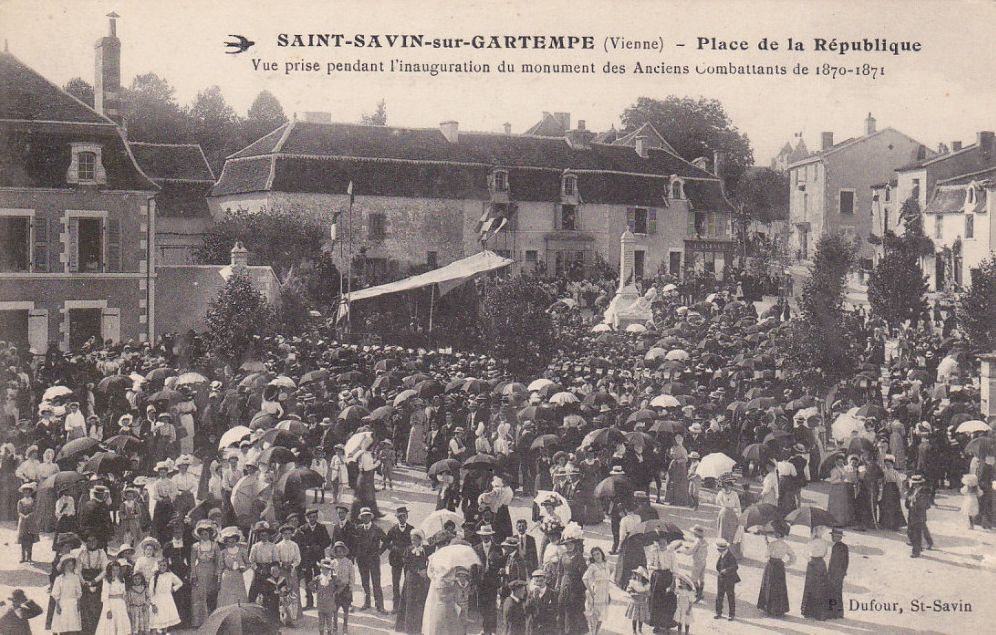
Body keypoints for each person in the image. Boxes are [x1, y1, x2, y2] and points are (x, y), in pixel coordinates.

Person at [756, 521, 794, 617]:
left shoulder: (772, 544)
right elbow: (793, 556)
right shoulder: (786, 545)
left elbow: (766, 555)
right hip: (780, 566)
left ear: (777, 534)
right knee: (779, 586)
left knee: (769, 584)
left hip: (771, 565)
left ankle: (768, 607)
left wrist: (767, 544)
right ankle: (779, 609)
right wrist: (786, 564)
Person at [297, 507, 332, 610]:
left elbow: (328, 541)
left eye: (314, 517)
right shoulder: (303, 528)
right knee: (308, 580)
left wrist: (320, 546)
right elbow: (300, 543)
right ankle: (309, 602)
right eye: (310, 517)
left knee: (320, 579)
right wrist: (306, 548)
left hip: (318, 557)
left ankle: (321, 602)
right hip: (307, 558)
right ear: (307, 518)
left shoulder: (322, 527)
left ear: (317, 517)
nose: (312, 519)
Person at [354, 507, 388, 612]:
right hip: (362, 560)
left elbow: (386, 541)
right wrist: (356, 553)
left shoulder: (377, 529)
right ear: (361, 518)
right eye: (363, 516)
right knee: (365, 582)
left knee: (376, 582)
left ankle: (380, 605)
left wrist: (379, 552)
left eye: (367, 516)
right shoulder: (358, 528)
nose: (365, 518)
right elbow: (354, 542)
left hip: (373, 560)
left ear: (370, 517)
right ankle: (367, 602)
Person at [396, 530, 430, 634]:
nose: (413, 542)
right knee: (410, 602)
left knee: (420, 602)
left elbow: (429, 561)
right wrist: (418, 571)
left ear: (420, 540)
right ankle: (409, 629)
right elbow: (407, 564)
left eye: (415, 540)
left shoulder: (426, 549)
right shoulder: (409, 549)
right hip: (411, 579)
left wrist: (426, 570)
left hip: (422, 579)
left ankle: (419, 628)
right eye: (412, 540)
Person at [474, 523, 504, 635]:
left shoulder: (497, 547)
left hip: (492, 580)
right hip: (481, 581)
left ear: (491, 536)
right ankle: (484, 628)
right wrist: (474, 581)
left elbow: (502, 563)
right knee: (481, 605)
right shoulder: (476, 548)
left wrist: (500, 574)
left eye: (487, 535)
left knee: (492, 605)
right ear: (480, 536)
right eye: (483, 535)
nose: (485, 537)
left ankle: (493, 630)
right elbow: (473, 566)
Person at [189, 520, 220, 628]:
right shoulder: (195, 546)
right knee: (198, 597)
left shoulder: (215, 546)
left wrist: (217, 574)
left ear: (210, 534)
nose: (204, 536)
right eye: (202, 534)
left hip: (211, 572)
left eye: (206, 534)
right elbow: (192, 562)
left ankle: (211, 621)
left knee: (211, 595)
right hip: (199, 571)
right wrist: (193, 575)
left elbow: (218, 561)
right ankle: (198, 622)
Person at [646, 533, 678, 633]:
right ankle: (657, 624)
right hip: (657, 578)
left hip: (667, 577)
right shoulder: (654, 552)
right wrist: (656, 567)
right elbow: (649, 565)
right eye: (660, 543)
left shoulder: (671, 553)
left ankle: (667, 624)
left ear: (667, 543)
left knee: (668, 601)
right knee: (656, 601)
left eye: (664, 543)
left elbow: (674, 569)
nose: (662, 545)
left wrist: (673, 583)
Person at [386, 506, 414, 613]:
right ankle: (396, 605)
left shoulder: (412, 530)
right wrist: (393, 547)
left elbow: (415, 543)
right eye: (399, 517)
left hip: (407, 560)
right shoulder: (393, 530)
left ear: (407, 517)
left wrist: (408, 549)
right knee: (395, 583)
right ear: (397, 518)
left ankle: (406, 606)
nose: (402, 518)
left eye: (403, 516)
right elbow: (387, 542)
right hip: (395, 559)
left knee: (408, 582)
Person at [275, 522, 302, 621]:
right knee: (282, 592)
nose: (287, 535)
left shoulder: (294, 545)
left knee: (293, 591)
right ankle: (283, 616)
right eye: (285, 533)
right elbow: (276, 559)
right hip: (282, 571)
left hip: (291, 571)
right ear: (282, 534)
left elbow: (298, 559)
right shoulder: (278, 546)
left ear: (291, 534)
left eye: (289, 533)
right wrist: (282, 564)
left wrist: (292, 565)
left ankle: (293, 616)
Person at [582, 546, 612, 635]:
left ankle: (596, 633)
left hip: (605, 594)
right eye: (594, 555)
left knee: (601, 617)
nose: (597, 556)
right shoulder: (592, 566)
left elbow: (608, 577)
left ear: (602, 554)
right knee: (594, 618)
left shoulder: (607, 565)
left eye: (598, 553)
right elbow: (585, 579)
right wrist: (591, 592)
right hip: (596, 594)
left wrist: (608, 593)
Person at [96, 560, 131, 635]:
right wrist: (108, 609)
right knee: (110, 625)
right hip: (111, 604)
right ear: (109, 570)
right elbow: (105, 596)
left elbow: (124, 593)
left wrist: (126, 604)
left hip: (121, 605)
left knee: (121, 625)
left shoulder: (122, 580)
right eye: (113, 570)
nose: (115, 572)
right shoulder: (107, 581)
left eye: (117, 570)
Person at [51, 555, 83, 635]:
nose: (69, 567)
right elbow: (56, 593)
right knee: (63, 626)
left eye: (71, 565)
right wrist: (58, 605)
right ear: (63, 566)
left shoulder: (75, 578)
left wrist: (78, 602)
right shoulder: (59, 578)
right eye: (67, 565)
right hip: (63, 604)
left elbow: (78, 592)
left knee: (73, 626)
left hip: (73, 604)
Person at [217, 526, 249, 607]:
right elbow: (220, 568)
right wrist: (219, 580)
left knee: (238, 596)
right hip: (226, 578)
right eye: (229, 541)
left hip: (238, 576)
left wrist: (243, 568)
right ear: (226, 542)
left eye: (233, 540)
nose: (231, 543)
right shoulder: (223, 553)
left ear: (236, 540)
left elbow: (248, 563)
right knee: (226, 598)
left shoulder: (242, 551)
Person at [149, 557, 183, 634]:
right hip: (157, 600)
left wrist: (173, 588)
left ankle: (164, 632)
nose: (162, 567)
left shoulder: (170, 575)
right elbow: (151, 592)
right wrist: (153, 604)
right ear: (157, 566)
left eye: (164, 565)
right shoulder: (154, 577)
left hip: (167, 600)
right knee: (155, 621)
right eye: (160, 565)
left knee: (166, 620)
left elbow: (180, 583)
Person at [800, 540, 832, 620]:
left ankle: (809, 611)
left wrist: (809, 560)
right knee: (820, 587)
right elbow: (825, 553)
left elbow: (804, 553)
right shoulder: (824, 542)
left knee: (810, 586)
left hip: (812, 563)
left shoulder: (810, 542)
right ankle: (819, 612)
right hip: (820, 563)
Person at [329, 542, 354, 634]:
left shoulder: (348, 562)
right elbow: (330, 575)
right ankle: (335, 628)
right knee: (335, 609)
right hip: (336, 589)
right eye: (337, 551)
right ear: (335, 552)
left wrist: (351, 588)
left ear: (344, 551)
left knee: (346, 609)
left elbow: (352, 576)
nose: (340, 553)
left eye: (341, 551)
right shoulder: (333, 563)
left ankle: (345, 627)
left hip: (346, 588)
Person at [906, 474, 933, 557]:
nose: (913, 484)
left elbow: (923, 505)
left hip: (919, 515)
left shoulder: (923, 492)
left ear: (919, 484)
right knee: (911, 531)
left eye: (914, 483)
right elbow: (907, 502)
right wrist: (909, 500)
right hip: (912, 513)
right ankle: (927, 543)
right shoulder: (913, 490)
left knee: (917, 533)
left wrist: (913, 502)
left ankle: (916, 551)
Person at [714, 475, 741, 557]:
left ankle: (731, 552)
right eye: (725, 485)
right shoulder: (721, 493)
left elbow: (738, 505)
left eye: (729, 485)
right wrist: (722, 503)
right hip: (723, 513)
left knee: (732, 533)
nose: (727, 487)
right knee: (722, 532)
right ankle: (722, 550)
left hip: (732, 514)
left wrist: (739, 515)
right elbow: (717, 502)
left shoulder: (735, 494)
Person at [827, 454, 857, 528]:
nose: (840, 463)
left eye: (841, 461)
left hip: (843, 489)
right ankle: (834, 521)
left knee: (842, 505)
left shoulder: (844, 468)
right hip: (836, 489)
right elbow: (832, 481)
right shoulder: (834, 470)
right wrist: (841, 479)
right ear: (836, 462)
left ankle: (841, 521)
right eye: (839, 462)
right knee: (836, 505)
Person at [525, 569, 557, 635]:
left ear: (545, 580)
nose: (539, 583)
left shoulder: (552, 593)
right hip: (534, 627)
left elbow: (556, 610)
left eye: (541, 581)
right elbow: (527, 609)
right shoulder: (531, 594)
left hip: (548, 627)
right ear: (533, 582)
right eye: (536, 581)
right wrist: (534, 597)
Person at [713, 539, 739, 621]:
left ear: (722, 549)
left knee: (730, 596)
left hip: (729, 579)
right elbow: (718, 565)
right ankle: (718, 612)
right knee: (719, 596)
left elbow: (735, 566)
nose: (717, 550)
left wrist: (726, 570)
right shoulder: (722, 554)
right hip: (721, 578)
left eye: (718, 549)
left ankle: (731, 614)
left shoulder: (730, 556)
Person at [680, 525, 708, 603]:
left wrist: (682, 550)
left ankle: (698, 594)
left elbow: (690, 552)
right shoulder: (704, 541)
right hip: (703, 561)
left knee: (694, 579)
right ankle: (701, 593)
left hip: (697, 562)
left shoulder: (697, 542)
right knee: (701, 578)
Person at [879, 455, 907, 530]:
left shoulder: (895, 472)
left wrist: (900, 490)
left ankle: (895, 525)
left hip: (893, 490)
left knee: (894, 506)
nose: (887, 465)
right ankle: (886, 523)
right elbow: (882, 481)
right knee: (885, 506)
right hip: (886, 490)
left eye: (889, 464)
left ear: (892, 464)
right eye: (886, 464)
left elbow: (899, 482)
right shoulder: (884, 472)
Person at [827, 526, 849, 619]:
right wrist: (844, 572)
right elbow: (846, 561)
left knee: (833, 592)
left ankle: (833, 612)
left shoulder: (836, 547)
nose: (832, 537)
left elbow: (833, 562)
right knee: (838, 593)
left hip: (834, 574)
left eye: (833, 536)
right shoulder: (844, 546)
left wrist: (830, 573)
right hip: (840, 574)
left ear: (838, 537)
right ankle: (839, 613)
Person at [311, 558, 337, 635]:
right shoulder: (318, 578)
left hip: (329, 603)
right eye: (323, 569)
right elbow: (310, 584)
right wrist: (314, 590)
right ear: (320, 569)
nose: (324, 570)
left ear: (329, 570)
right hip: (321, 603)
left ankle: (329, 633)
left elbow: (340, 585)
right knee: (321, 620)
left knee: (329, 620)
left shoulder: (332, 579)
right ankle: (321, 633)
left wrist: (335, 592)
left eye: (327, 569)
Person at [624, 566, 651, 634]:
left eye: (640, 575)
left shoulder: (646, 584)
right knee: (634, 617)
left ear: (642, 576)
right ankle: (634, 630)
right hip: (635, 601)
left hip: (642, 602)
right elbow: (629, 590)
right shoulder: (632, 582)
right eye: (637, 574)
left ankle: (640, 629)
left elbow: (649, 593)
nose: (638, 576)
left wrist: (645, 595)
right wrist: (633, 594)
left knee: (641, 617)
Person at [16, 482, 37, 562]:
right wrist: (23, 516)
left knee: (30, 539)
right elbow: (19, 511)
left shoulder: (33, 501)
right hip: (23, 522)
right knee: (23, 539)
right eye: (25, 492)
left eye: (28, 492)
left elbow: (35, 510)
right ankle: (23, 557)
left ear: (31, 492)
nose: (27, 493)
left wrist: (29, 515)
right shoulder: (20, 501)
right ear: (23, 493)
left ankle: (29, 557)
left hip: (31, 521)